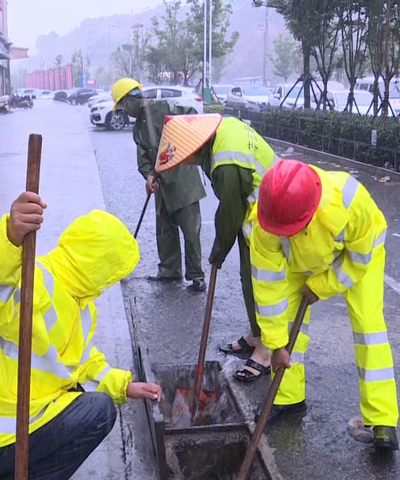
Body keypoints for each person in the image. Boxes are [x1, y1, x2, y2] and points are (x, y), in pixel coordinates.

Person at [0, 192, 163, 479]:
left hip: (2, 421)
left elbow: (80, 364)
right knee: (98, 411)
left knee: (85, 398)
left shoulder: (80, 304)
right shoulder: (32, 281)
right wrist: (10, 237)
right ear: (101, 270)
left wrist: (124, 386)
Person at [249, 159, 398, 450]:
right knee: (288, 323)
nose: (282, 234)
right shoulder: (266, 221)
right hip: (300, 260)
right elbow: (268, 289)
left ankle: (383, 421)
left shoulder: (351, 201)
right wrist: (276, 345)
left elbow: (357, 261)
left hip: (358, 256)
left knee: (370, 330)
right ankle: (287, 398)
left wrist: (320, 286)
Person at [154, 114, 279, 382]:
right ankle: (257, 335)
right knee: (248, 279)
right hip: (256, 212)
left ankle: (267, 350)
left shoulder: (225, 163)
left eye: (183, 156)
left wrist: (217, 254)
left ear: (194, 147)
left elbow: (230, 214)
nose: (184, 162)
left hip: (269, 216)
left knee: (261, 284)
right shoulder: (222, 131)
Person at [111, 78, 207, 292]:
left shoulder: (162, 108)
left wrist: (184, 144)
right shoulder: (138, 128)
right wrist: (148, 175)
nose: (124, 112)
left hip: (183, 181)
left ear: (129, 100)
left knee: (190, 231)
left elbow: (192, 115)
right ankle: (169, 270)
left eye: (123, 107)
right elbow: (143, 157)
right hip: (162, 183)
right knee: (165, 230)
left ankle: (196, 275)